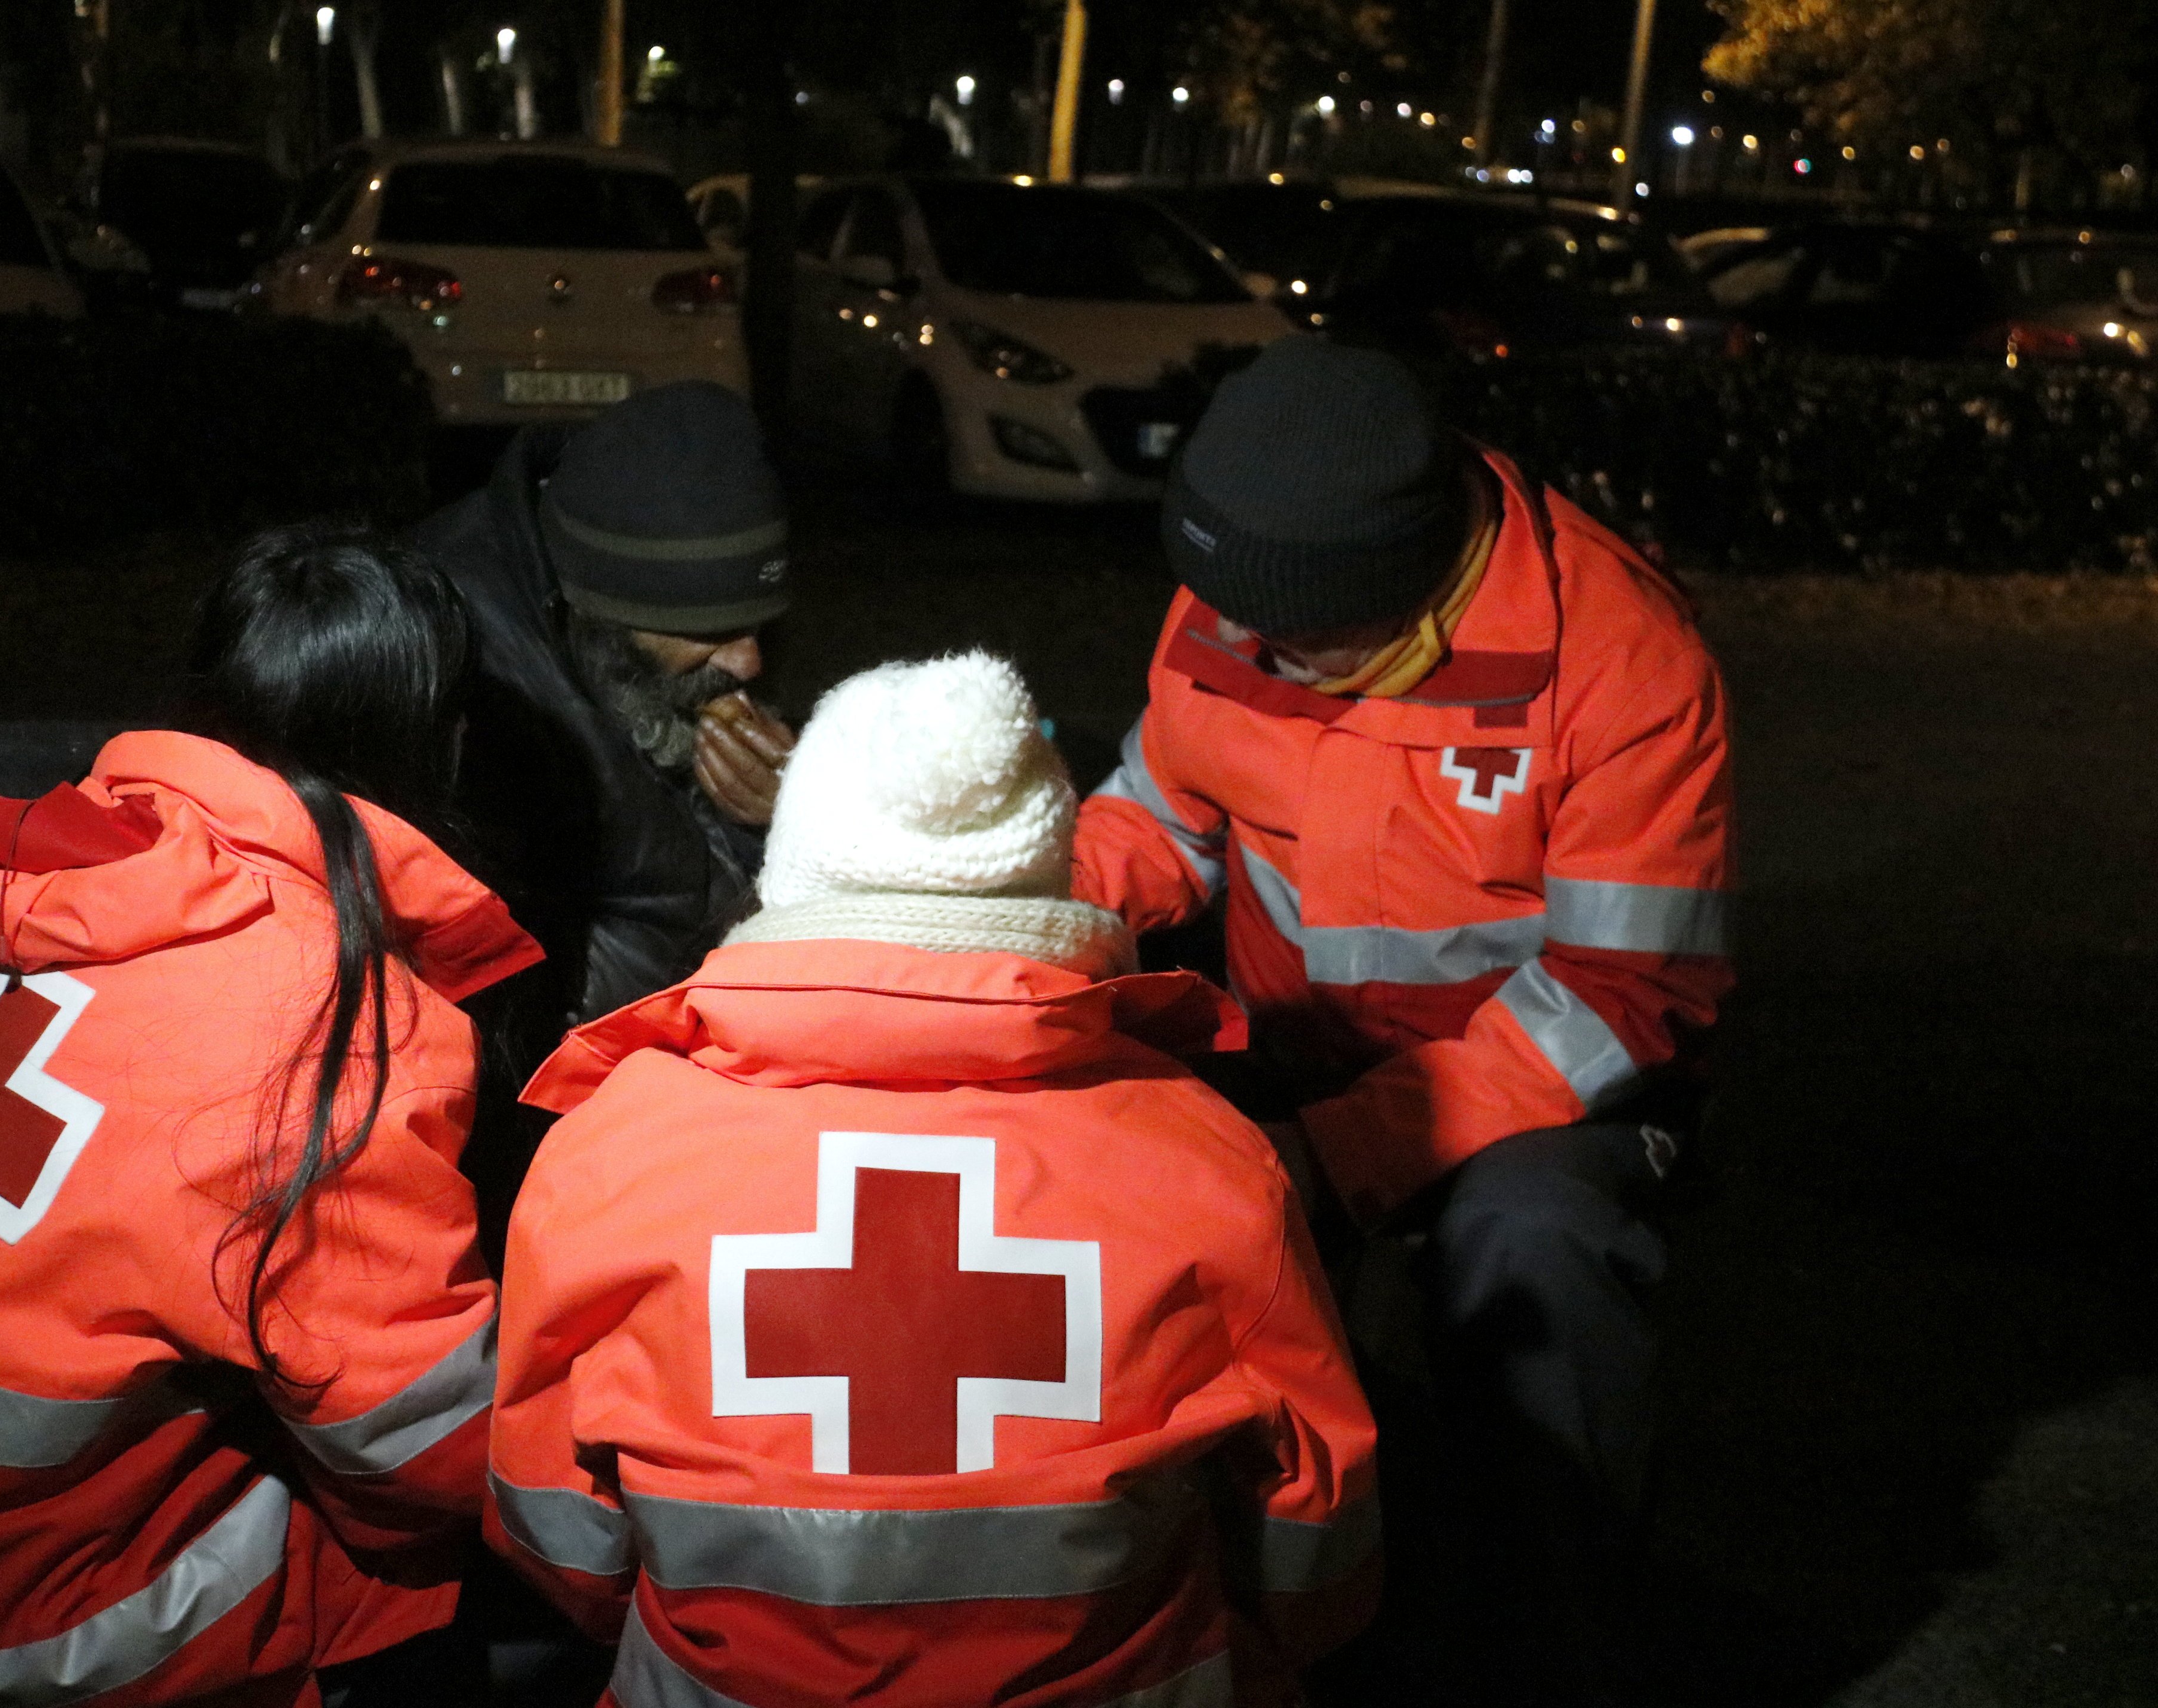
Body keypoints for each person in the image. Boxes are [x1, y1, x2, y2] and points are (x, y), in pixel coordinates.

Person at [487, 652, 1382, 1708]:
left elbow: (561, 1540)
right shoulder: (1204, 1152)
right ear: (1049, 877)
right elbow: (1314, 1541)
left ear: (795, 873)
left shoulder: (614, 1145)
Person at [1071, 335, 1734, 1704]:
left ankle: (1559, 1640)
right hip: (1290, 1044)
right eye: (1228, 616)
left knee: (1528, 1251)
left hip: (1542, 1089)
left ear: (1405, 584)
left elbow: (1625, 994)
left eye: (1294, 644)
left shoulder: (1620, 663)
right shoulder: (1249, 587)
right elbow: (1159, 813)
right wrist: (1021, 924)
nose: (1244, 651)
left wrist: (1342, 1151)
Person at [0, 527, 542, 1708]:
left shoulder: (68, 877)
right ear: (429, 739)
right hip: (52, 1639)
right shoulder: (327, 1021)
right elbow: (425, 1448)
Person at [409, 381, 799, 1068]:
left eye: (762, 624)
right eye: (711, 629)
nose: (749, 661)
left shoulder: (624, 658)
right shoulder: (459, 683)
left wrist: (793, 818)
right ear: (605, 614)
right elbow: (556, 1014)